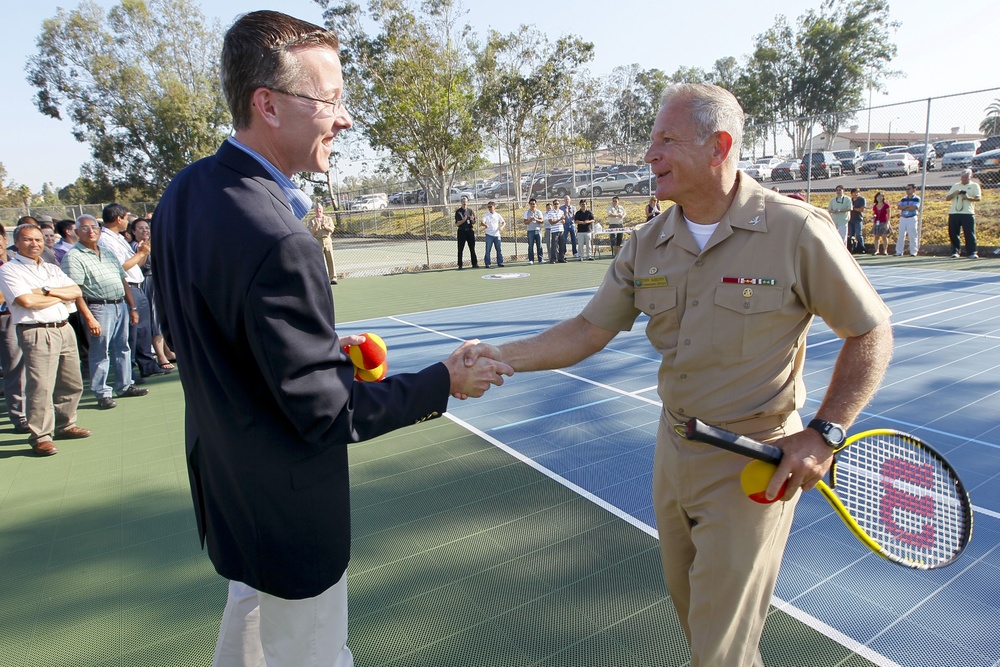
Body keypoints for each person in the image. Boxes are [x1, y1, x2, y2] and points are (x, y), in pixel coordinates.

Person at [464, 83, 892, 667]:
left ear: (719, 146)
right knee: (697, 616)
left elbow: (870, 331)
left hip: (753, 461)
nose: (649, 155)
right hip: (676, 448)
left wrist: (825, 431)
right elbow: (590, 330)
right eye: (651, 140)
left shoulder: (796, 231)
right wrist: (499, 355)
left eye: (666, 140)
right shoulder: (648, 243)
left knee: (720, 648)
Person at [151, 11, 512, 666]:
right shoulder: (282, 238)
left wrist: (309, 347)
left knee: (248, 627)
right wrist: (446, 379)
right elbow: (328, 412)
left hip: (230, 492)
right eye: (332, 100)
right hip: (286, 510)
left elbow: (197, 331)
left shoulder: (184, 192)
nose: (344, 119)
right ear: (268, 104)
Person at [0, 225, 92, 456]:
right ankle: (40, 436)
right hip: (37, 331)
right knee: (41, 387)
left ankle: (65, 424)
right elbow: (26, 301)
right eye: (28, 240)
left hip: (63, 328)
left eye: (38, 239)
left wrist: (45, 291)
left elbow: (75, 292)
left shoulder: (51, 267)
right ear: (17, 242)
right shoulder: (10, 270)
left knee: (71, 382)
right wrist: (58, 296)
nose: (35, 244)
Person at [63, 215, 149, 410]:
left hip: (120, 305)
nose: (91, 231)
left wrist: (132, 306)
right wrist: (89, 317)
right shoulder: (73, 257)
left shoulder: (108, 253)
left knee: (123, 347)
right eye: (85, 228)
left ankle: (124, 384)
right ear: (76, 232)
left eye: (94, 227)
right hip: (97, 307)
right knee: (100, 351)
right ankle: (102, 392)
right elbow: (76, 290)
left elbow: (122, 280)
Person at [99, 203, 162, 378]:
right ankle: (130, 372)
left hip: (137, 285)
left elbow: (136, 265)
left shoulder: (118, 238)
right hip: (126, 288)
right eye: (126, 218)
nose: (127, 222)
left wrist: (143, 252)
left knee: (143, 329)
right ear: (119, 218)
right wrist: (140, 254)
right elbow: (119, 268)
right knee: (131, 334)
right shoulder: (106, 240)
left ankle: (147, 365)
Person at [0, 224, 28, 434]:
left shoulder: (15, 262)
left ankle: (35, 411)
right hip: (6, 319)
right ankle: (20, 416)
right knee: (15, 368)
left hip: (27, 316)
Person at [945, 168, 982, 258]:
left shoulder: (974, 185)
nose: (963, 179)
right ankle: (955, 251)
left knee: (969, 233)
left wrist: (967, 197)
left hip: (968, 213)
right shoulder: (956, 185)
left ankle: (972, 252)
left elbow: (978, 198)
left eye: (966, 177)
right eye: (962, 177)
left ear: (970, 177)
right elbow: (947, 198)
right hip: (954, 213)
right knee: (953, 233)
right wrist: (955, 193)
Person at [308, 201, 338, 284]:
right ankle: (320, 278)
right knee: (319, 260)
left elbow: (332, 230)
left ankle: (333, 278)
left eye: (320, 209)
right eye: (317, 209)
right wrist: (316, 226)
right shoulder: (312, 220)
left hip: (327, 240)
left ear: (322, 210)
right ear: (314, 210)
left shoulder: (328, 219)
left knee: (330, 259)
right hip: (317, 241)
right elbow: (311, 232)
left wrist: (325, 226)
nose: (318, 210)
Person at [895, 183, 921, 256]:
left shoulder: (917, 198)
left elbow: (914, 207)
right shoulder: (904, 198)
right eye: (906, 189)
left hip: (912, 218)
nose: (907, 190)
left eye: (909, 189)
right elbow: (899, 207)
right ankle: (899, 251)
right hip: (903, 218)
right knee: (901, 235)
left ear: (914, 189)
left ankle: (913, 252)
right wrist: (908, 207)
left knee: (912, 235)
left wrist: (905, 207)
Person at [480, 201, 506, 268]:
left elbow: (503, 222)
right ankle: (487, 263)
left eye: (490, 207)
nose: (489, 208)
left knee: (499, 249)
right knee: (488, 250)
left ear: (494, 207)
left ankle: (500, 262)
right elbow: (482, 222)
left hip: (497, 235)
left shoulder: (497, 215)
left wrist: (502, 227)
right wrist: (485, 225)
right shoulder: (485, 215)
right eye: (488, 207)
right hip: (489, 235)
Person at [455, 195, 478, 269]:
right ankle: (460, 265)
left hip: (470, 232)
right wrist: (464, 220)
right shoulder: (458, 212)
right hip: (462, 232)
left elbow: (474, 222)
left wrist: (472, 220)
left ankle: (474, 264)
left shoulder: (470, 211)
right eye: (463, 202)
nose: (464, 203)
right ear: (461, 202)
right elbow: (457, 223)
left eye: (465, 202)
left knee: (472, 248)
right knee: (460, 249)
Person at [523, 198, 544, 264]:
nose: (532, 205)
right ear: (529, 204)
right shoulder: (526, 212)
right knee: (530, 246)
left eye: (534, 204)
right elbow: (525, 222)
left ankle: (540, 259)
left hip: (538, 231)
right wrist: (530, 220)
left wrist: (535, 219)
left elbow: (541, 221)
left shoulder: (539, 212)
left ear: (536, 204)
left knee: (539, 245)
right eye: (531, 204)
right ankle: (531, 260)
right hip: (530, 231)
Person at [848, 187, 867, 254]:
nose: (856, 194)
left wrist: (853, 208)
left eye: (857, 192)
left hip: (858, 219)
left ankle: (862, 248)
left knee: (859, 234)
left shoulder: (862, 199)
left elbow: (862, 209)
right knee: (851, 235)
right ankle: (853, 248)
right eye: (854, 193)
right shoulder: (850, 200)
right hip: (850, 220)